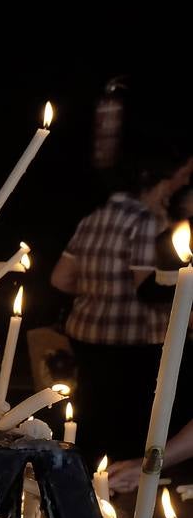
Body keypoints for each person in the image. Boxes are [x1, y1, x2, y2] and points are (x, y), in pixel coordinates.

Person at [53, 148, 193, 463]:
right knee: (131, 431)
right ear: (164, 179)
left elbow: (61, 279)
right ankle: (121, 495)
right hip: (133, 346)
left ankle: (85, 486)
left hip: (86, 335)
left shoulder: (93, 218)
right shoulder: (147, 222)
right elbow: (147, 287)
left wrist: (99, 290)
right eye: (183, 173)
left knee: (90, 422)